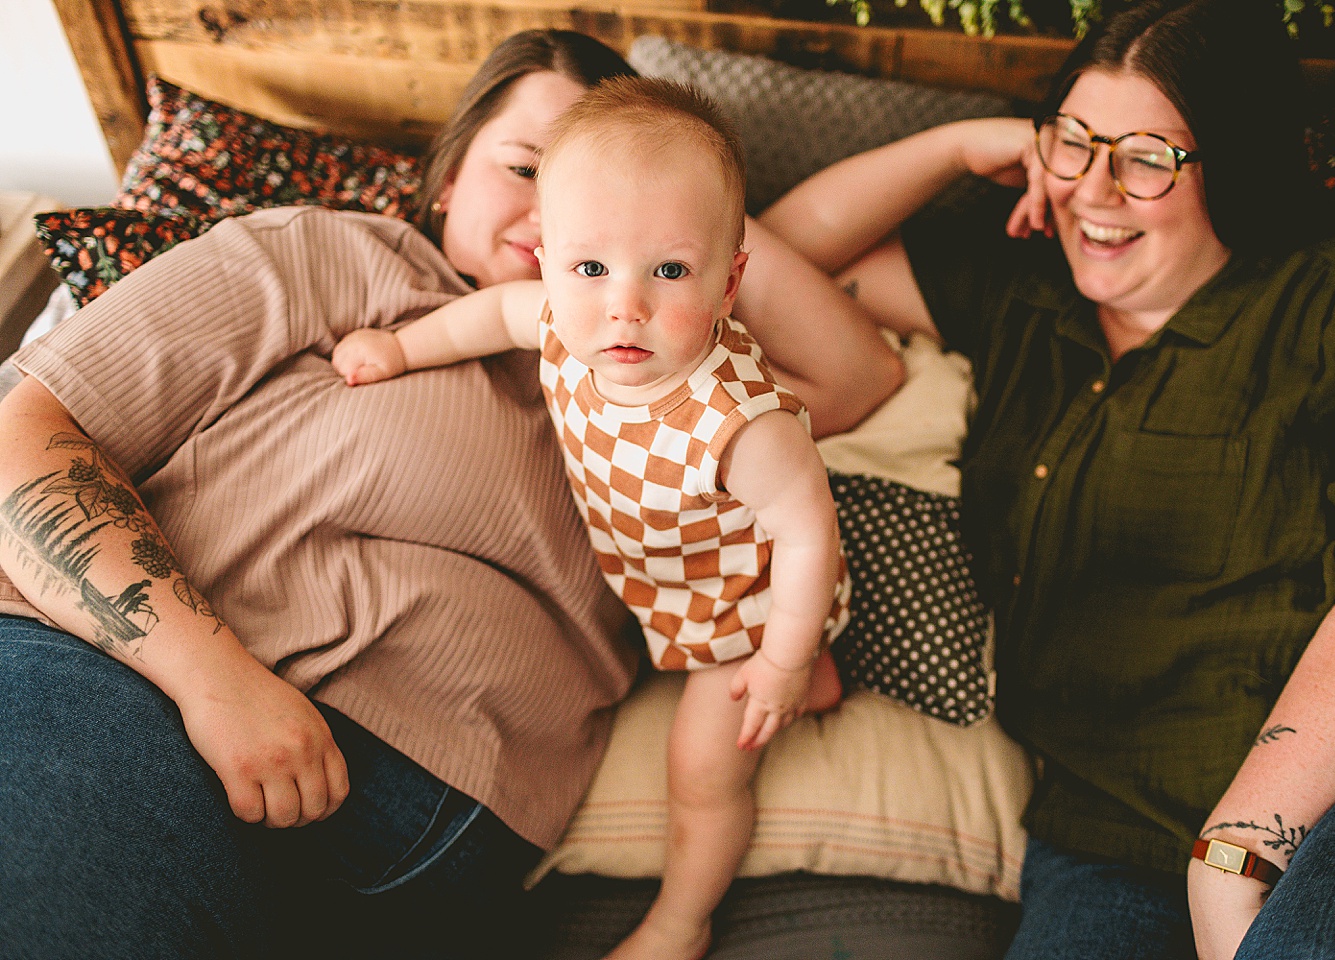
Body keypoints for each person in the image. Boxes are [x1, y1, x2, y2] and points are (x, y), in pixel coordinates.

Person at [0, 32, 900, 960]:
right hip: (140, 684)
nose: (574, 227)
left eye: (658, 252)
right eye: (530, 170)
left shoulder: (657, 376)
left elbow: (861, 374)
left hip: (441, 818)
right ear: (447, 175)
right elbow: (16, 444)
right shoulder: (333, 256)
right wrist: (214, 682)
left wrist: (679, 218)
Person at [756, 1, 1335, 958]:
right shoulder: (1020, 294)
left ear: (1235, 163)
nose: (1094, 191)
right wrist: (955, 146)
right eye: (1074, 143)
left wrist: (1235, 852)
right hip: (1104, 832)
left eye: (1148, 157)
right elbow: (742, 262)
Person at [334, 76, 854, 960]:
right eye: (590, 267)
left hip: (741, 604)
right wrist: (399, 346)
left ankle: (680, 923)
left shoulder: (743, 425)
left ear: (730, 282)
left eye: (670, 270)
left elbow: (809, 536)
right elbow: (489, 316)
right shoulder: (560, 321)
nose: (625, 304)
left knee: (702, 770)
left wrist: (781, 659)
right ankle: (815, 677)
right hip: (653, 570)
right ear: (549, 260)